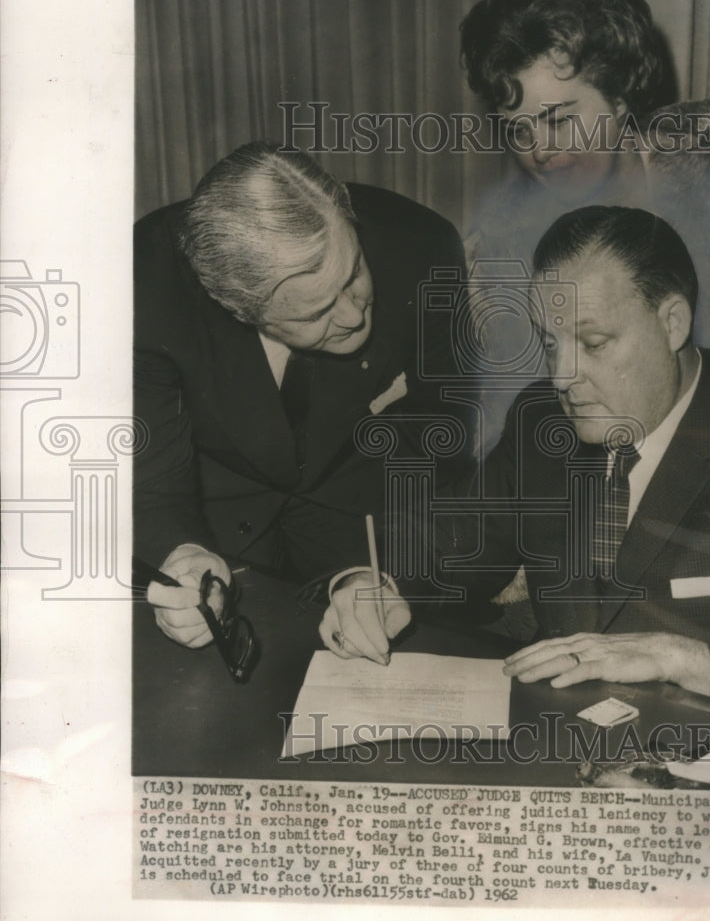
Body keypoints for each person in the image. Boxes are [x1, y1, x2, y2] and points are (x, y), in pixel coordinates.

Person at [321, 206, 710, 713]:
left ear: (673, 323)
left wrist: (684, 657)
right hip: (561, 739)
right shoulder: (543, 421)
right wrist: (371, 584)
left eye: (593, 342)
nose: (561, 377)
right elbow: (450, 538)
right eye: (549, 342)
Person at [134, 142, 471, 648]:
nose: (355, 316)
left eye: (353, 274)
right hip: (216, 514)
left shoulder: (422, 245)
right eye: (315, 314)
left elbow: (442, 435)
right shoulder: (145, 280)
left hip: (363, 516)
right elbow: (150, 466)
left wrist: (373, 574)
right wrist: (185, 557)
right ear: (238, 309)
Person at [459, 0, 710, 451]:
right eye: (519, 130)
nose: (539, 151)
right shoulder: (497, 264)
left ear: (622, 98)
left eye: (559, 121)